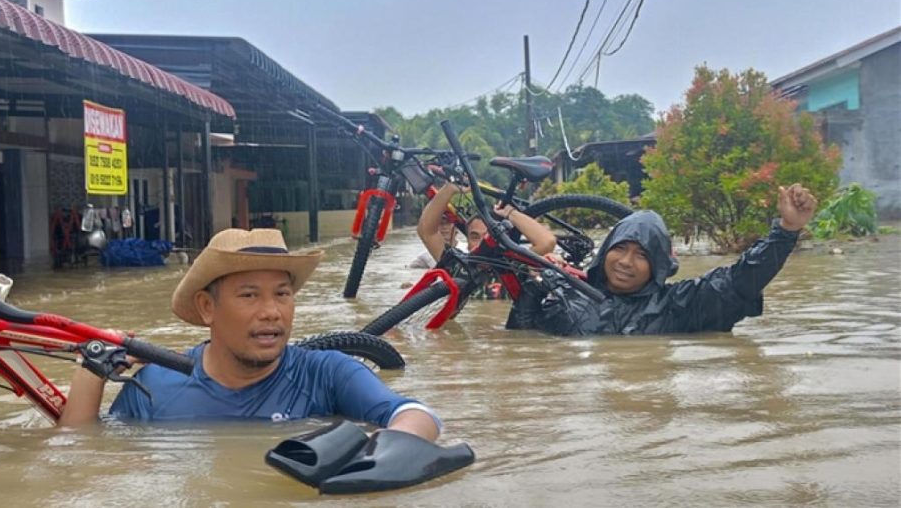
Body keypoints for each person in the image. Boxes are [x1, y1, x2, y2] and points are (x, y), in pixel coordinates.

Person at [58, 228, 442, 442]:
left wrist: (373, 459)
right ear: (207, 307)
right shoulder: (156, 385)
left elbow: (415, 415)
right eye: (249, 295)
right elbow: (84, 455)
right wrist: (90, 371)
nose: (272, 311)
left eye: (282, 294)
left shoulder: (327, 373)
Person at [508, 183, 818, 335]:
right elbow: (521, 352)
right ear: (605, 251)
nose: (626, 262)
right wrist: (528, 295)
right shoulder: (564, 296)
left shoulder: (680, 306)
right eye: (620, 249)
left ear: (658, 264)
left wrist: (786, 231)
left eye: (641, 255)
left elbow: (740, 282)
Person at [415, 181, 558, 299]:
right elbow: (426, 231)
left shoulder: (514, 267)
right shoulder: (460, 269)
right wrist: (450, 188)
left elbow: (547, 242)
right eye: (475, 236)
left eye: (488, 236)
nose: (482, 243)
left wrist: (510, 213)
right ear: (468, 241)